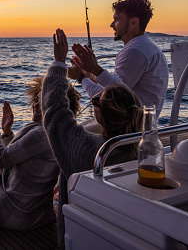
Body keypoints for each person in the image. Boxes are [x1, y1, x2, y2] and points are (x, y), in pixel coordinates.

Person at [42, 29, 143, 249]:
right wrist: (88, 74)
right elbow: (126, 98)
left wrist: (59, 62)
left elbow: (55, 114)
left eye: (97, 101)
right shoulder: (143, 146)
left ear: (101, 115)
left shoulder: (90, 150)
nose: (94, 101)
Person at [0, 76, 80, 230]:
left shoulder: (42, 134)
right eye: (36, 99)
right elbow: (18, 157)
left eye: (42, 101)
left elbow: (1, 160)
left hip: (12, 214)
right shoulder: (60, 131)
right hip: (36, 214)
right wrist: (8, 132)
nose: (36, 105)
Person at [69, 0, 168, 117]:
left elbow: (106, 97)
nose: (111, 24)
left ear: (133, 22)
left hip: (132, 128)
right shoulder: (145, 47)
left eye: (116, 20)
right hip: (140, 122)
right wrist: (89, 74)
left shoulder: (135, 52)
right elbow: (117, 86)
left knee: (68, 134)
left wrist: (81, 77)